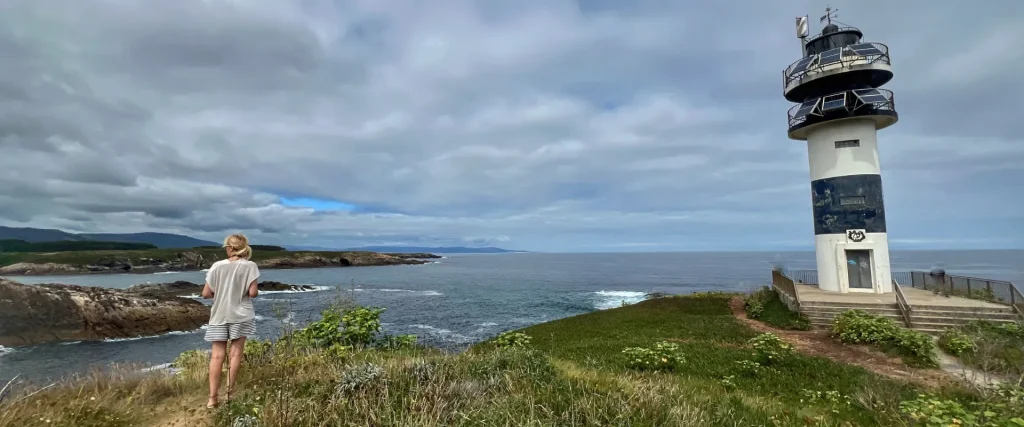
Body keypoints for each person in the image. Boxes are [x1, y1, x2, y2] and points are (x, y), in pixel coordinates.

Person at [201, 233, 260, 409]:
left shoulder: (217, 266)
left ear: (230, 248)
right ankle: (228, 395)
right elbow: (253, 293)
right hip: (241, 315)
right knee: (235, 355)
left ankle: (212, 399)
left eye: (226, 246)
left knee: (217, 356)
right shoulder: (250, 266)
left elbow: (205, 293)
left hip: (219, 315)